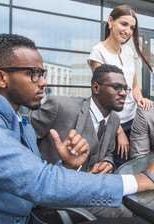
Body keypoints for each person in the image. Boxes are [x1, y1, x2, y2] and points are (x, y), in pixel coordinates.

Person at [0, 33, 154, 223]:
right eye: (34, 74)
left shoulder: (19, 122)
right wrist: (142, 179)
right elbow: (39, 182)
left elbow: (26, 184)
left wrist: (68, 165)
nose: (43, 82)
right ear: (0, 78)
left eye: (42, 73)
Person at [26, 64, 132, 219]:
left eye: (125, 88)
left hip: (89, 190)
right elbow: (22, 136)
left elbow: (108, 153)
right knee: (122, 213)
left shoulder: (114, 119)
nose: (123, 93)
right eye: (116, 87)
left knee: (130, 204)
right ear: (96, 88)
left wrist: (108, 163)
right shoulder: (60, 106)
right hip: (53, 196)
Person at [88, 4, 153, 167]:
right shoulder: (98, 52)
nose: (128, 31)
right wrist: (118, 131)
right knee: (118, 167)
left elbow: (135, 86)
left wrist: (141, 99)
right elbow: (100, 96)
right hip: (114, 123)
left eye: (132, 27)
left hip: (133, 120)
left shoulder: (128, 52)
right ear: (110, 21)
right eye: (124, 24)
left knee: (136, 164)